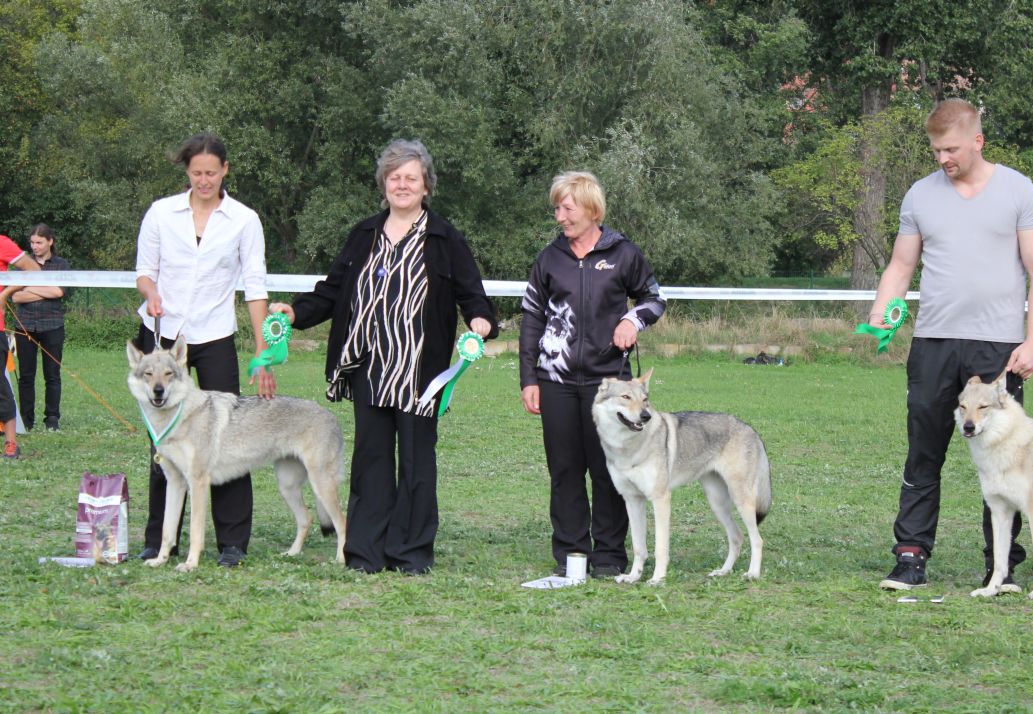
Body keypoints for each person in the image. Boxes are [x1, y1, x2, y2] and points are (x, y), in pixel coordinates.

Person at [270, 139, 497, 575]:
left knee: (416, 463)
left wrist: (481, 322)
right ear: (384, 183)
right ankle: (366, 553)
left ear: (426, 185)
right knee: (371, 462)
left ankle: (409, 554)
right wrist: (296, 312)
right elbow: (333, 291)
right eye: (394, 177)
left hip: (421, 372)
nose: (402, 184)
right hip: (369, 366)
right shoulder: (364, 233)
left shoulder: (446, 238)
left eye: (411, 177)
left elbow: (474, 295)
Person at [872, 99, 1033, 591]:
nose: (942, 158)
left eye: (950, 148)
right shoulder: (919, 196)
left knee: (1007, 456)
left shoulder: (1020, 191)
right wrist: (883, 308)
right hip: (933, 343)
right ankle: (910, 557)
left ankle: (1004, 566)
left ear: (977, 141)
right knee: (923, 453)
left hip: (999, 347)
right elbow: (901, 266)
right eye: (935, 150)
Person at [133, 132, 276, 568]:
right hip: (161, 334)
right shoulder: (161, 213)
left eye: (211, 172)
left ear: (225, 170)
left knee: (228, 435)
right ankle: (162, 540)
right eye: (196, 173)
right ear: (187, 172)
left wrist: (262, 352)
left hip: (213, 337)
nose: (204, 180)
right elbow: (144, 271)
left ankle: (232, 542)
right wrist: (151, 291)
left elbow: (255, 287)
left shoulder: (244, 220)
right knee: (163, 443)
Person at [520, 171, 666, 578]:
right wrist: (528, 379)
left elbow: (655, 298)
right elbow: (531, 318)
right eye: (557, 208)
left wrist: (634, 321)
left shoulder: (623, 253)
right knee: (564, 468)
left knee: (608, 470)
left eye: (567, 207)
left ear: (590, 209)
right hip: (557, 382)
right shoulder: (549, 258)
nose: (560, 216)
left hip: (610, 384)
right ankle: (571, 555)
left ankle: (608, 555)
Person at [12, 224, 70, 432]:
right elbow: (16, 295)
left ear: (50, 242)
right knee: (26, 376)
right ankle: (27, 420)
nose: (34, 246)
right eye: (32, 242)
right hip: (24, 325)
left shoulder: (61, 265)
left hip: (53, 325)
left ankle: (52, 418)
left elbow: (59, 292)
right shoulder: (22, 265)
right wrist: (45, 290)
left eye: (39, 242)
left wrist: (31, 289)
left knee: (52, 375)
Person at [0, 233, 42, 459]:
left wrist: (6, 293)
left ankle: (11, 444)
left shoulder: (2, 243)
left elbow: (33, 270)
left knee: (0, 387)